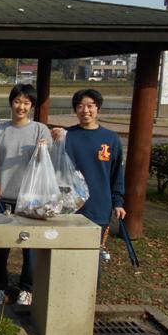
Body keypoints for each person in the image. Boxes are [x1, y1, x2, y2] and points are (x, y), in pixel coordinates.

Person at [0, 84, 51, 307]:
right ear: (11, 103)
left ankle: (27, 288)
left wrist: (45, 148)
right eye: (17, 101)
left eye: (26, 102)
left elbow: (48, 164)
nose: (21, 107)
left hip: (32, 199)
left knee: (31, 247)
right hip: (2, 196)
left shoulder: (40, 130)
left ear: (32, 105)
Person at [54, 89, 126, 272]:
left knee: (92, 258)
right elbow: (54, 168)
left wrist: (118, 202)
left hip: (99, 207)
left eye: (90, 106)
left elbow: (117, 174)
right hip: (70, 207)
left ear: (98, 108)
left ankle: (91, 290)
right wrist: (52, 140)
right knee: (66, 255)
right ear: (75, 110)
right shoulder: (66, 136)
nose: (85, 110)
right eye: (80, 106)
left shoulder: (111, 139)